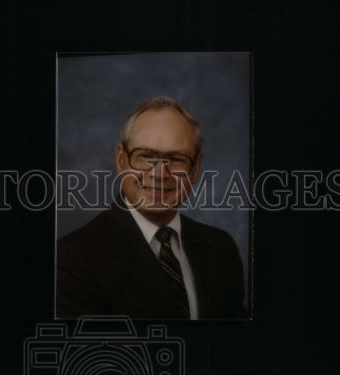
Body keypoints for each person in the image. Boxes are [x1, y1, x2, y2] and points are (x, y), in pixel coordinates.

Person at [56, 96, 247, 319]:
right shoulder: (70, 259)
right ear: (121, 160)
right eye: (145, 156)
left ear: (195, 169)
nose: (159, 174)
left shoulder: (222, 249)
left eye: (176, 159)